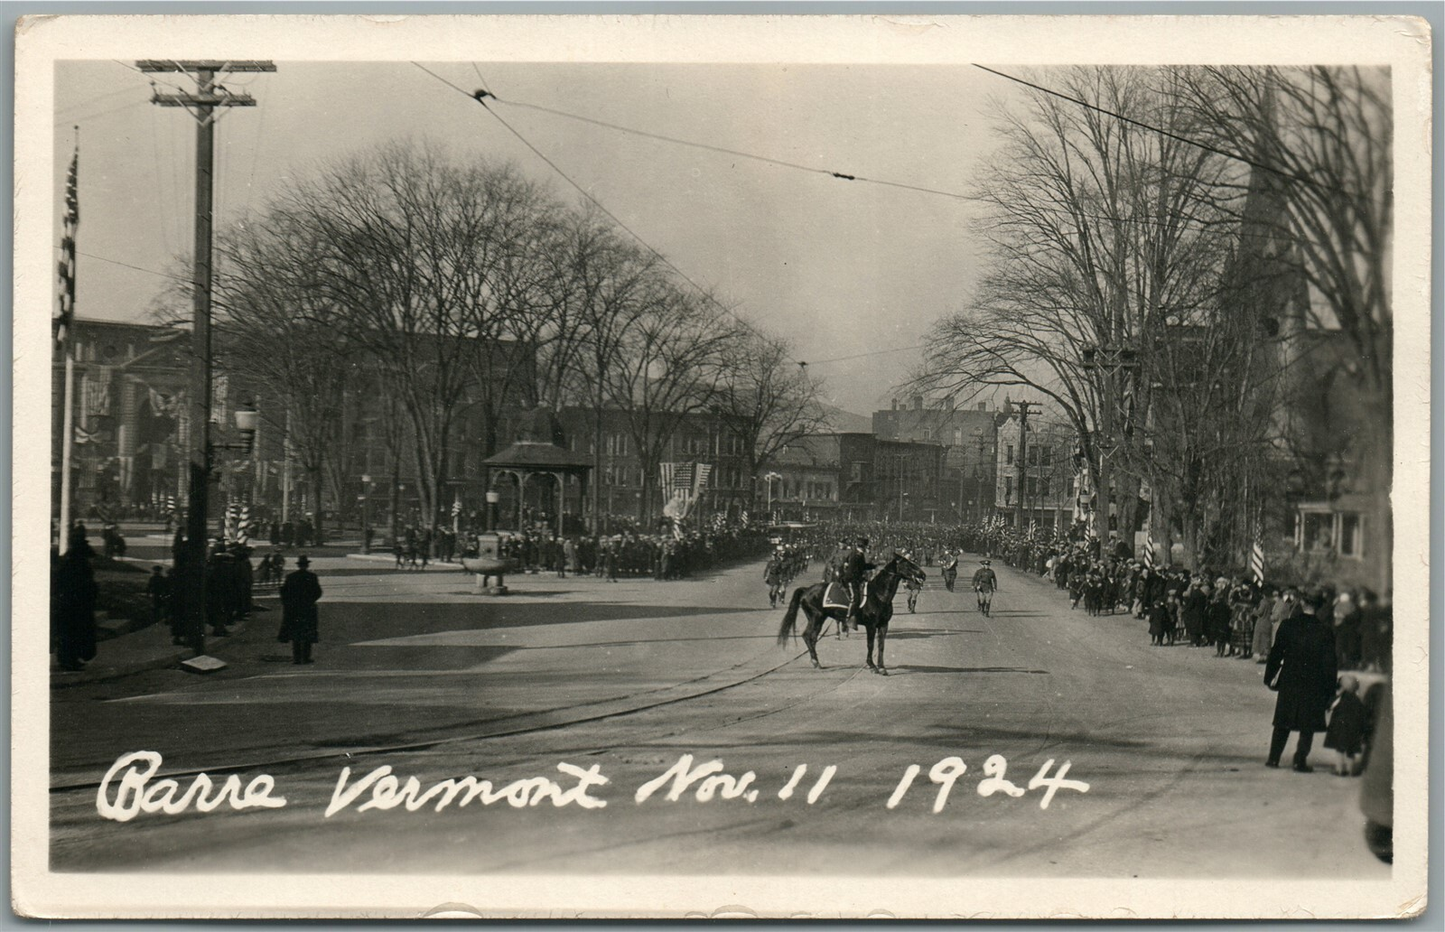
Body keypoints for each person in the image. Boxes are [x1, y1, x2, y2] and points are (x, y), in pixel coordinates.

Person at [1264, 588, 1338, 772]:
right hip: (1314, 683)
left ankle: (1273, 758)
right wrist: (1330, 691)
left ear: (1302, 603)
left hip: (1290, 679)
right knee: (1308, 724)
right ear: (1319, 607)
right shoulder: (1325, 631)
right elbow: (1330, 664)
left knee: (1282, 720)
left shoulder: (1288, 626)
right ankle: (1299, 761)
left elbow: (1275, 654)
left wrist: (1269, 677)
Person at [278, 554, 323, 665]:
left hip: (294, 609)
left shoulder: (291, 577)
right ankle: (306, 657)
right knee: (308, 633)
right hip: (308, 608)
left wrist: (288, 603)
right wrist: (310, 600)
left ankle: (296, 658)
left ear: (298, 566)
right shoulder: (312, 576)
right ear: (307, 566)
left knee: (296, 634)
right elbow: (318, 592)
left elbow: (284, 592)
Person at [1324, 673, 1366, 776]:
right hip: (1354, 730)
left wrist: (1338, 695)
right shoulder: (1358, 700)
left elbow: (1330, 706)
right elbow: (1362, 714)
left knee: (1340, 749)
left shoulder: (1340, 698)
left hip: (1340, 728)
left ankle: (1339, 769)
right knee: (1351, 751)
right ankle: (1350, 770)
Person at [839, 537, 874, 632]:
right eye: (866, 546)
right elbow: (852, 571)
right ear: (863, 547)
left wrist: (874, 566)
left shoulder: (859, 554)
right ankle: (848, 618)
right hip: (851, 580)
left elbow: (862, 566)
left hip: (856, 579)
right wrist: (860, 578)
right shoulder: (856, 555)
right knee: (855, 598)